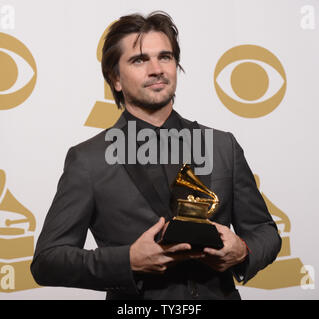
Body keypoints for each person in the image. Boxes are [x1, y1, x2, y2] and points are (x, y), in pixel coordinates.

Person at [30, 11, 281, 300]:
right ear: (115, 79)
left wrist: (243, 252)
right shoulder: (89, 160)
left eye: (165, 57)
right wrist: (128, 261)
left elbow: (264, 231)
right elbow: (47, 261)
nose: (156, 69)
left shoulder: (222, 146)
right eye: (139, 60)